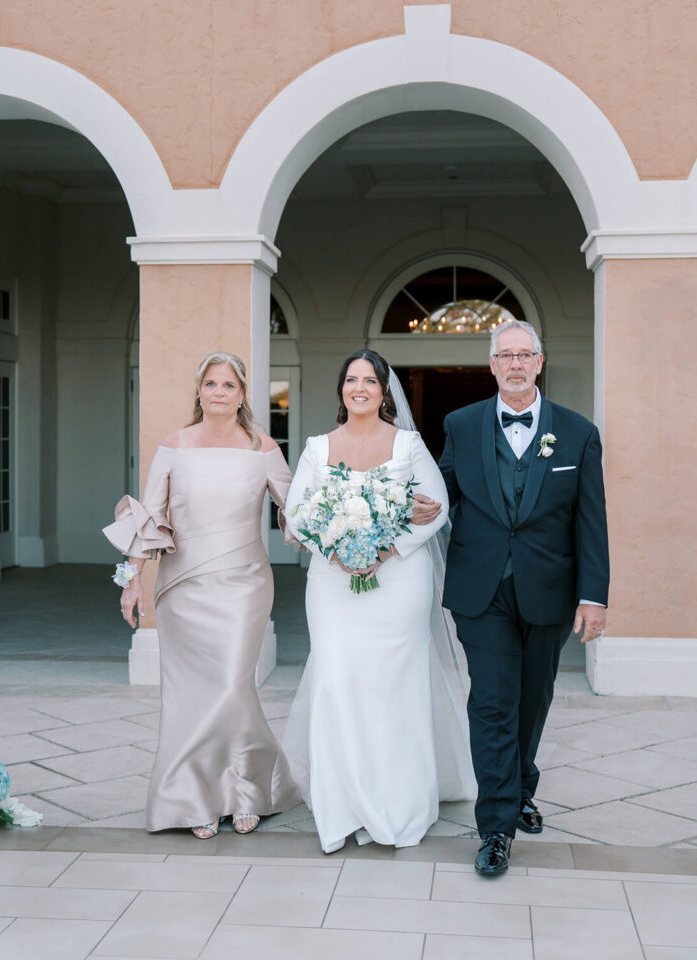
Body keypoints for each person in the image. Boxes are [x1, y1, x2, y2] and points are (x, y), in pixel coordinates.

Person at [283, 349, 475, 854]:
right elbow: (297, 516)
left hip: (397, 583)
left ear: (385, 391)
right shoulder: (317, 448)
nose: (361, 388)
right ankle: (342, 805)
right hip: (332, 583)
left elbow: (435, 509)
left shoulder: (408, 446)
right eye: (352, 379)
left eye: (371, 380)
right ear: (342, 390)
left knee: (394, 686)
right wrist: (339, 549)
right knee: (336, 679)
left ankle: (398, 803)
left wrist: (383, 548)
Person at [103, 351, 299, 838]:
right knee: (192, 695)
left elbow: (297, 508)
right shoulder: (174, 445)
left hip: (244, 584)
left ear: (242, 394)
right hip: (182, 588)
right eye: (210, 383)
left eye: (228, 385)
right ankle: (194, 798)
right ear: (199, 391)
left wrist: (348, 525)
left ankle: (248, 788)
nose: (218, 392)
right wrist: (132, 581)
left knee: (233, 685)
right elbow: (149, 518)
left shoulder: (263, 448)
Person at [439, 320, 609, 876]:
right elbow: (438, 496)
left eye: (524, 355)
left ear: (539, 362)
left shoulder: (578, 433)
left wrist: (593, 595)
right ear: (491, 366)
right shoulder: (461, 426)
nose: (514, 364)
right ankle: (495, 828)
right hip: (480, 590)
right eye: (504, 355)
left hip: (549, 592)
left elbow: (591, 522)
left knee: (532, 700)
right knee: (491, 702)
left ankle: (520, 786)